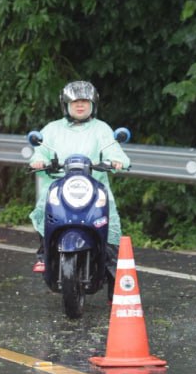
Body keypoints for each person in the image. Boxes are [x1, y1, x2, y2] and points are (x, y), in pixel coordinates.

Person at [28, 81, 130, 286]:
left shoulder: (102, 129)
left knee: (110, 226)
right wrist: (37, 161)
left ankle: (114, 285)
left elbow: (114, 150)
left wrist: (118, 161)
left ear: (93, 104)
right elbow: (40, 151)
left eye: (85, 101)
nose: (80, 105)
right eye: (75, 101)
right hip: (60, 185)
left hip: (93, 187)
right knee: (45, 210)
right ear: (65, 104)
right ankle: (44, 253)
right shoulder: (52, 129)